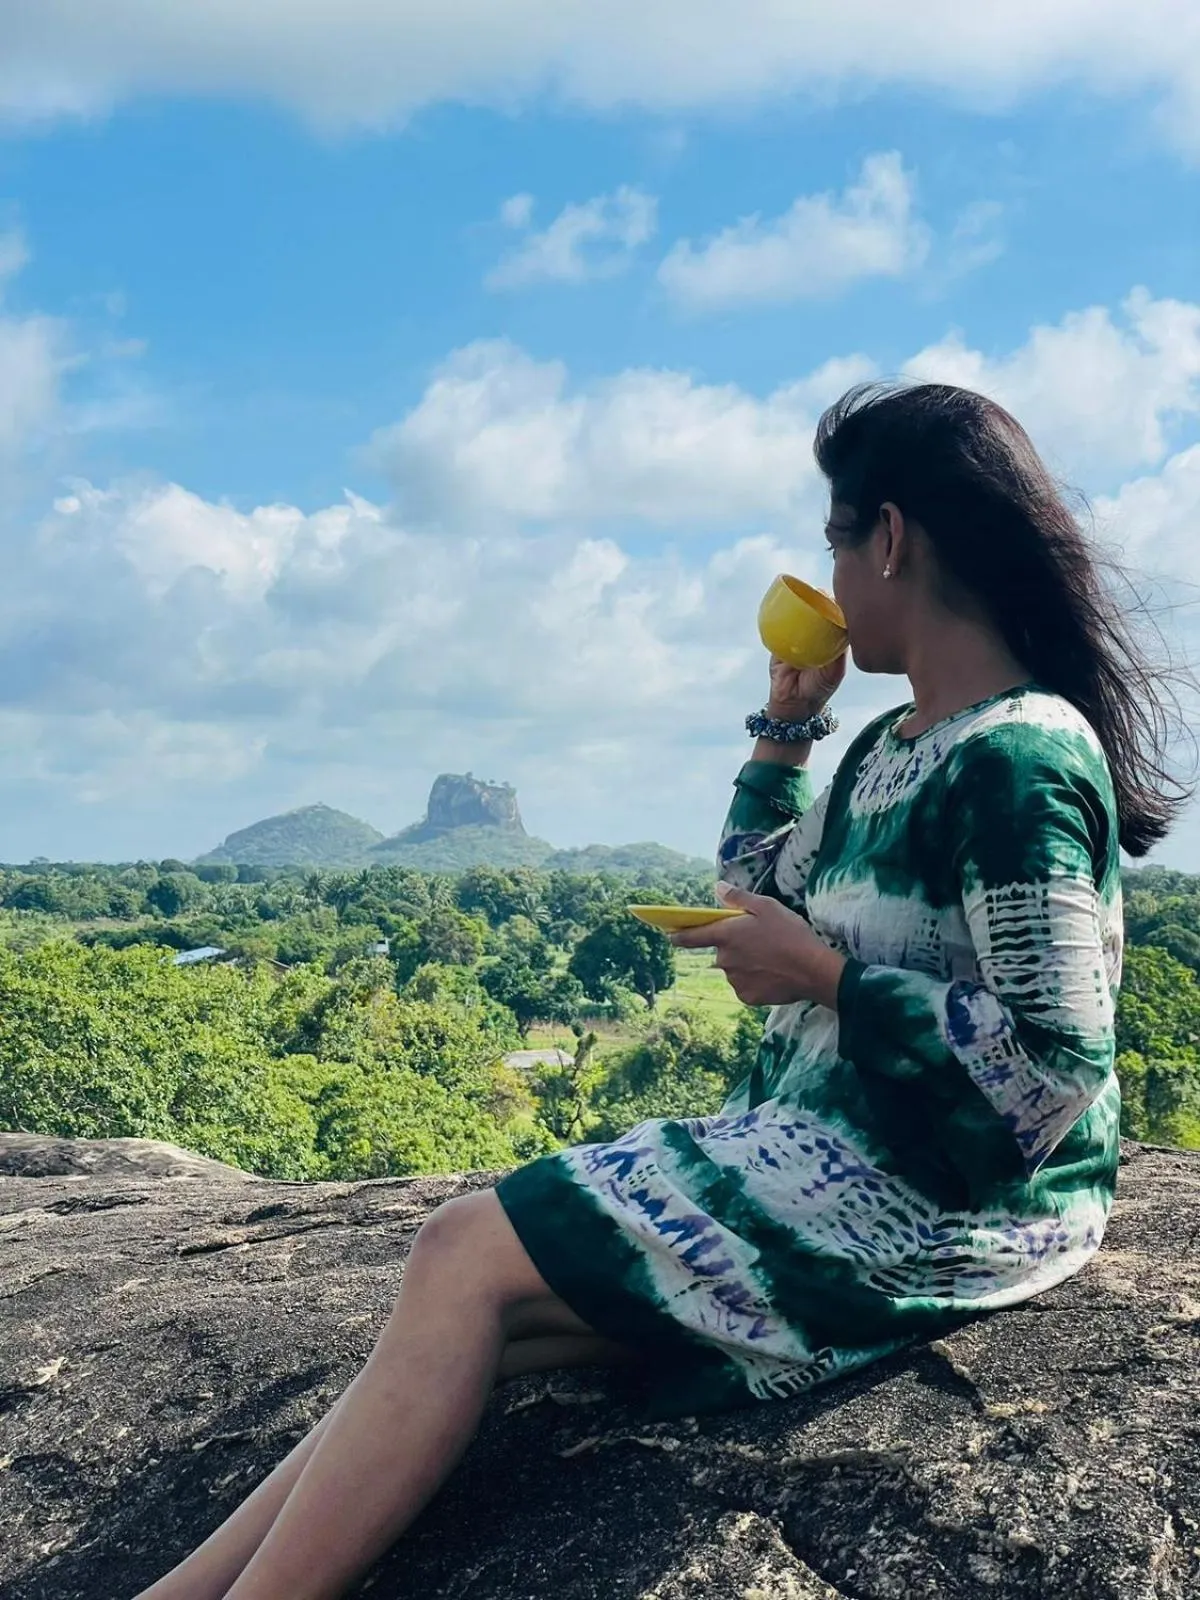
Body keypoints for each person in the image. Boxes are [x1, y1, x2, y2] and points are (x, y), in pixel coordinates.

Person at [134, 382, 1185, 1600]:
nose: (831, 583)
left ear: (888, 537)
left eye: (836, 545)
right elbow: (758, 890)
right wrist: (785, 729)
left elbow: (1057, 1067)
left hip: (944, 1194)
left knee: (462, 1248)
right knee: (482, 1318)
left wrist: (828, 979)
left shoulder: (1023, 756)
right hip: (834, 1144)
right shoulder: (890, 747)